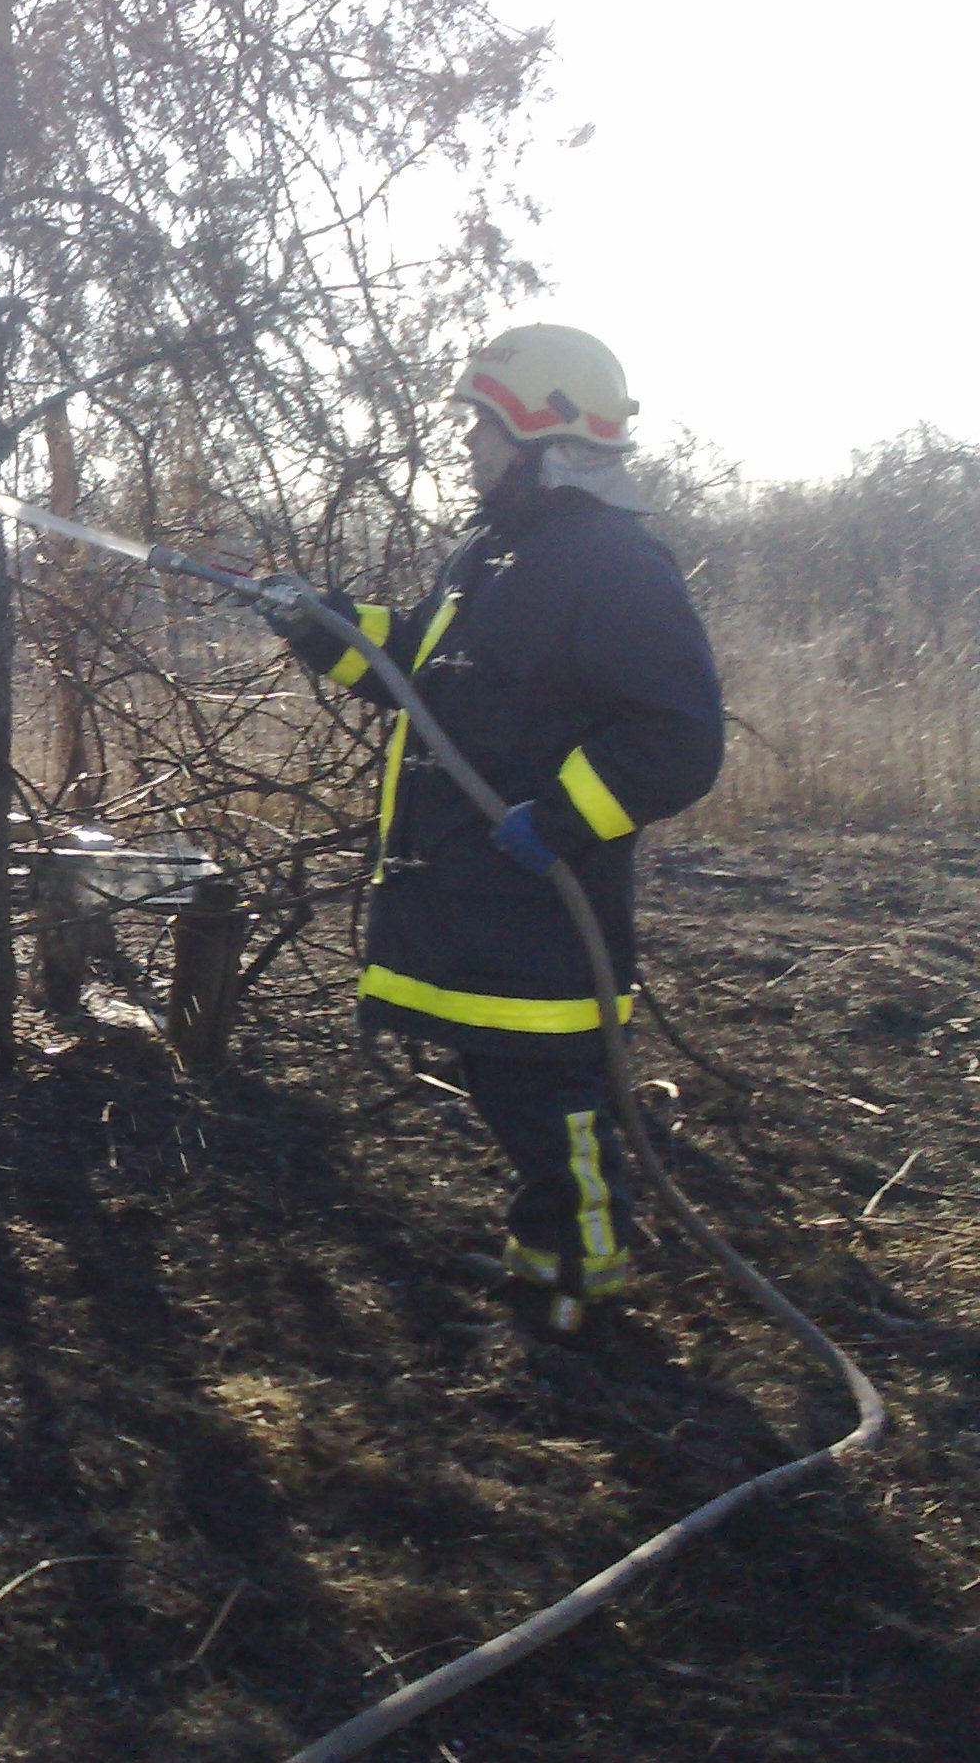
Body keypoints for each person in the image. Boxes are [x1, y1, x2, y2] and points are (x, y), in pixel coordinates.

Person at [269, 325, 725, 1338]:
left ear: (546, 431)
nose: (468, 442)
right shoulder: (493, 552)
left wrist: (560, 820)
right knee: (508, 1090)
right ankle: (543, 1264)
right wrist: (319, 623)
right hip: (480, 902)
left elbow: (679, 737)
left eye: (484, 424)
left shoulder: (614, 564)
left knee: (552, 1103)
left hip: (541, 910)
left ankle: (580, 1288)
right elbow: (418, 672)